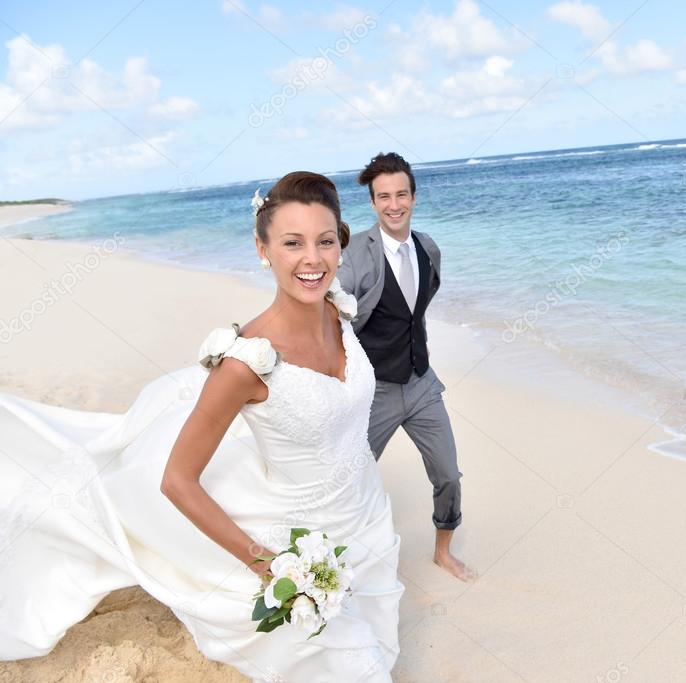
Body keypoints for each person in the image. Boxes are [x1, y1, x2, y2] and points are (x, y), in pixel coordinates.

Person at [0, 172, 403, 682]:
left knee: (378, 630)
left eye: (325, 241)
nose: (313, 259)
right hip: (297, 536)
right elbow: (177, 480)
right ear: (263, 249)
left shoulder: (337, 310)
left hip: (363, 511)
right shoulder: (247, 364)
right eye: (292, 243)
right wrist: (271, 567)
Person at [340, 152, 474, 582]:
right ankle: (338, 560)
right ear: (373, 202)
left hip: (420, 385)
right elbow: (333, 311)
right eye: (383, 197)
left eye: (401, 194)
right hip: (374, 390)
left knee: (448, 475)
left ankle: (443, 550)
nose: (393, 204)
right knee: (351, 477)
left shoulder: (428, 248)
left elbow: (421, 304)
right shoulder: (354, 253)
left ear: (414, 197)